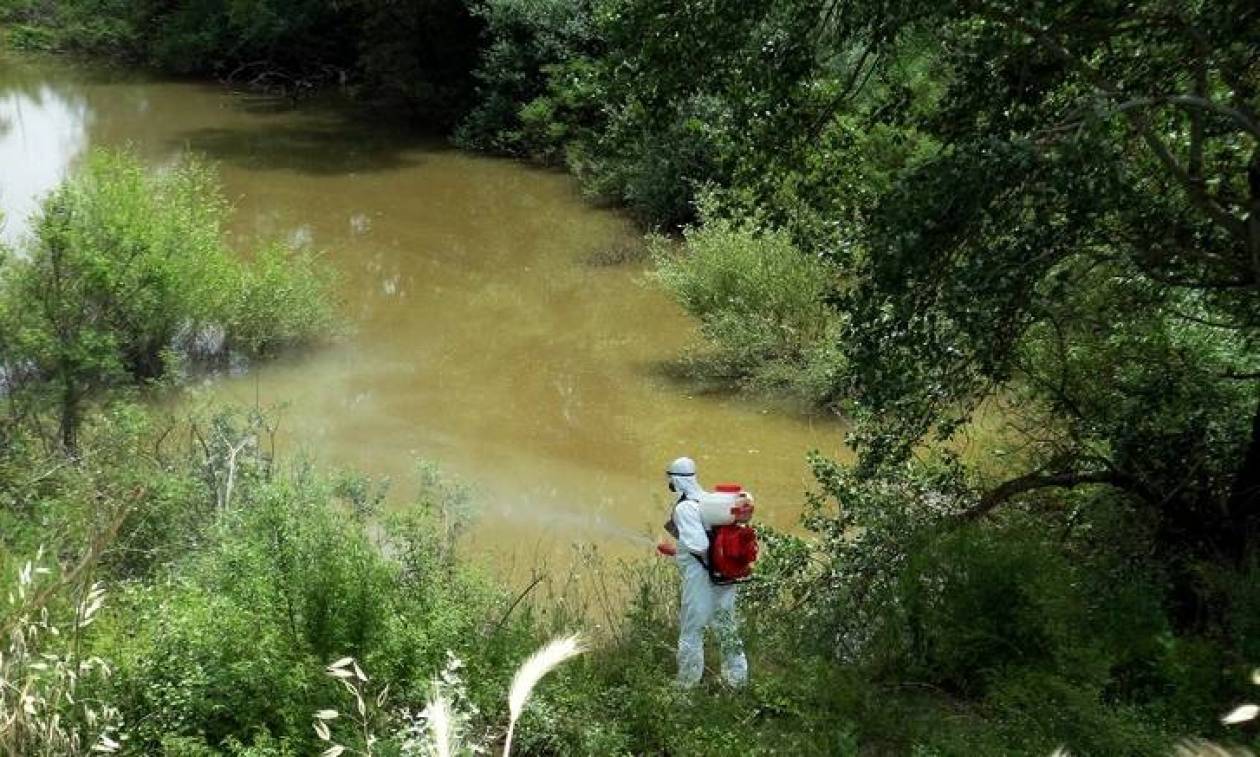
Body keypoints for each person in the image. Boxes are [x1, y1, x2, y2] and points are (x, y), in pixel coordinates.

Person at [659, 456, 748, 688]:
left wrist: (682, 550)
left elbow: (699, 545)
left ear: (675, 480)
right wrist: (676, 550)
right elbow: (709, 539)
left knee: (692, 628)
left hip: (701, 577)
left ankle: (686, 685)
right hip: (724, 573)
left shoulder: (685, 507)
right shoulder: (710, 502)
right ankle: (737, 680)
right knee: (726, 626)